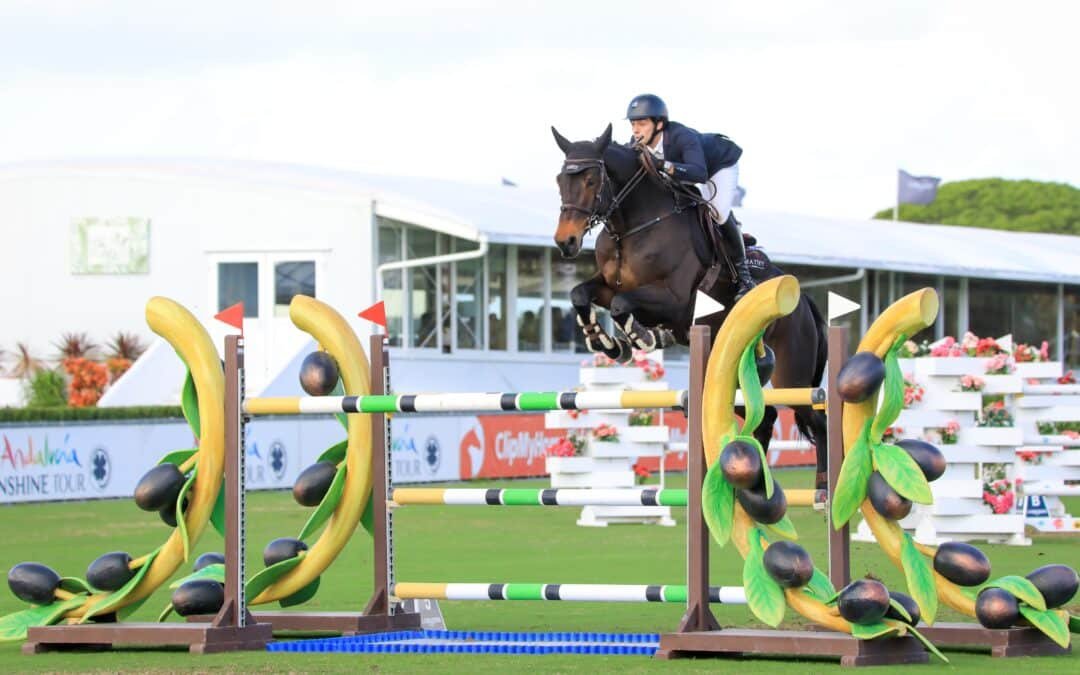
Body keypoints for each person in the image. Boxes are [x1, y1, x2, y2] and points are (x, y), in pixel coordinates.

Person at [625, 93, 755, 298]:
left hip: (717, 166)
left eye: (641, 123)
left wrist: (663, 165)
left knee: (717, 212)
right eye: (633, 124)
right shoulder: (636, 142)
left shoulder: (681, 136)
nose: (635, 130)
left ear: (659, 124)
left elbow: (699, 174)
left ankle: (744, 277)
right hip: (690, 172)